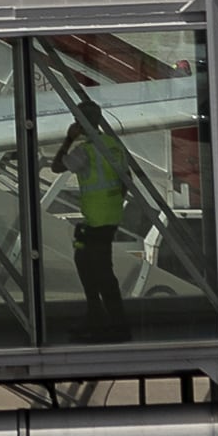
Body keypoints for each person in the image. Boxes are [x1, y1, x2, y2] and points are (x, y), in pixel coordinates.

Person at [59, 102, 135, 343]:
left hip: (96, 220)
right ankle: (99, 316)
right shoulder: (114, 147)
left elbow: (57, 165)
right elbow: (126, 180)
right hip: (110, 217)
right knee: (87, 261)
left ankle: (113, 323)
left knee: (100, 271)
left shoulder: (86, 151)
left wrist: (69, 139)